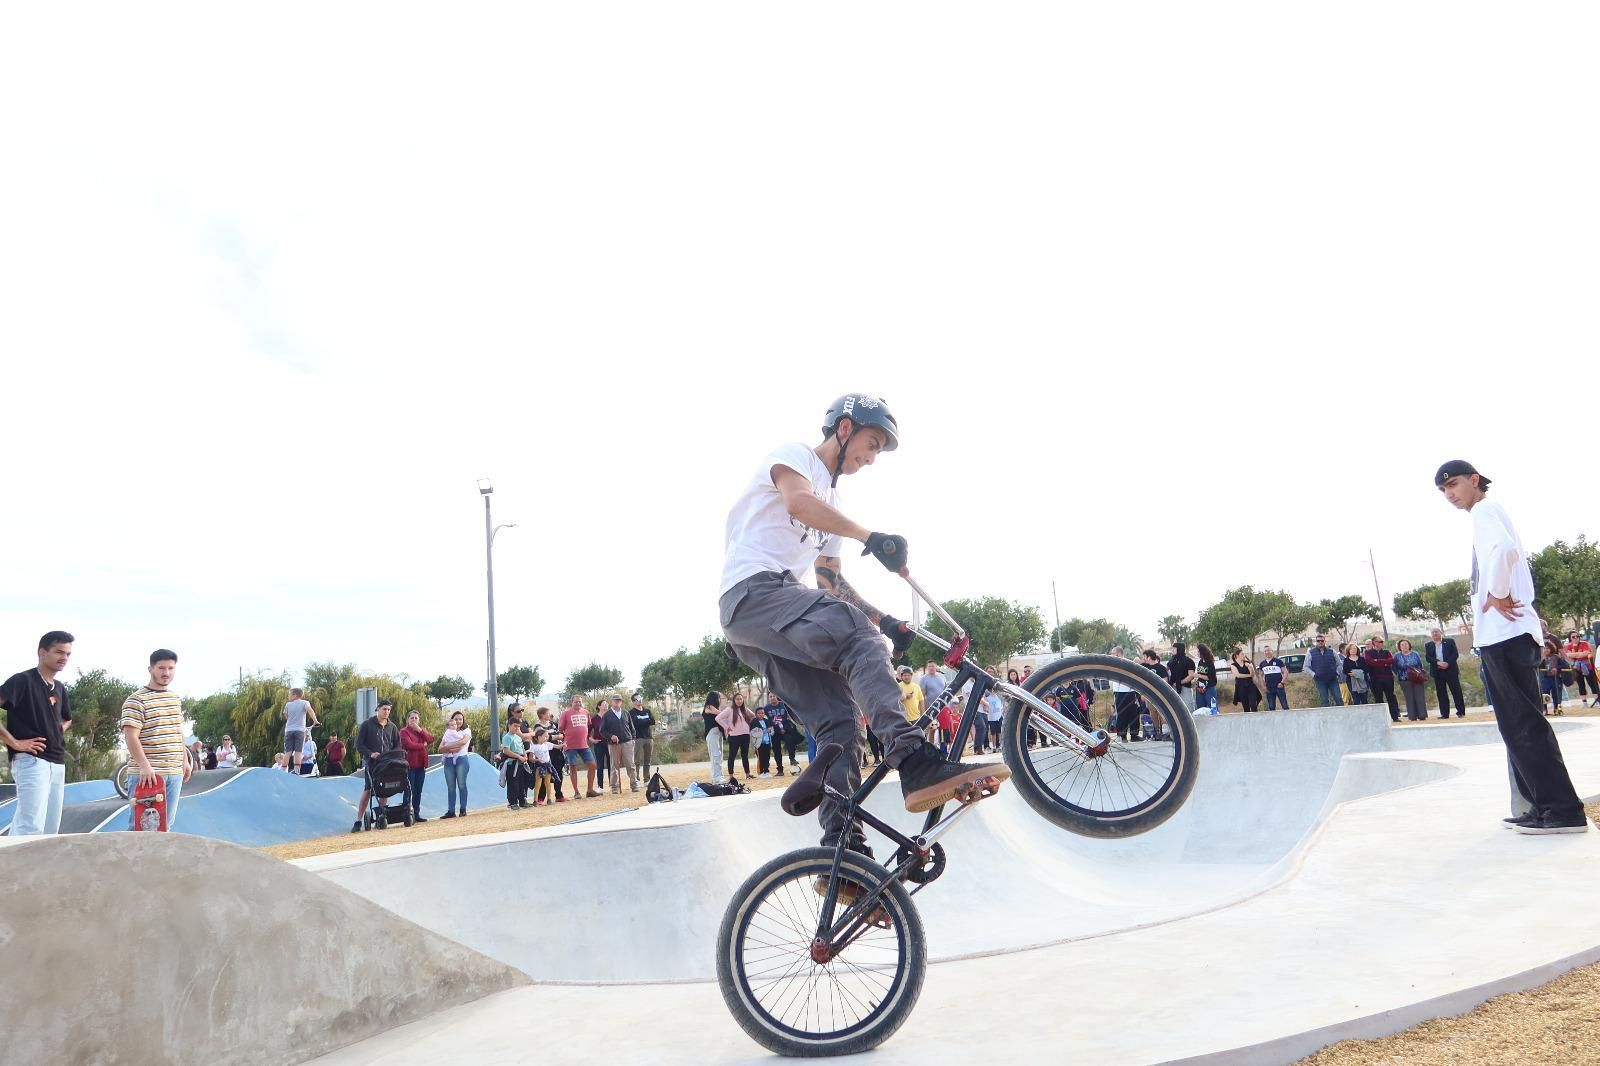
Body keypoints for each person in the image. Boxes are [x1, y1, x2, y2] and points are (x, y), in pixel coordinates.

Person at [717, 393, 1008, 863]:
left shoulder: (832, 506)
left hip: (770, 623)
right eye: (870, 445)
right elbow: (798, 504)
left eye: (877, 452)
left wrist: (886, 621)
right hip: (752, 594)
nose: (870, 459)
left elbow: (832, 586)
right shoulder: (797, 459)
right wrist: (870, 537)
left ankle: (842, 855)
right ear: (845, 428)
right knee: (856, 635)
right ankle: (913, 760)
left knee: (841, 723)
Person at [1436, 459, 1587, 833]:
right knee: (1522, 725)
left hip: (1505, 637)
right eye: (1443, 490)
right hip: (1509, 636)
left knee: (1523, 726)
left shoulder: (1485, 509)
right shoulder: (1488, 513)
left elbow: (1504, 550)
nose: (1449, 494)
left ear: (1475, 480)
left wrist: (1496, 594)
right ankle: (1542, 807)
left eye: (1453, 484)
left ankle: (1562, 810)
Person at [0, 632, 75, 836]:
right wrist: (14, 742)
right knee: (30, 826)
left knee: (50, 829)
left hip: (57, 762)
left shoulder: (59, 688)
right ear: (42, 652)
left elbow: (67, 718)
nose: (64, 658)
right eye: (59, 652)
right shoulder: (22, 681)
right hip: (31, 760)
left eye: (68, 654)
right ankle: (14, 868)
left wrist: (56, 730)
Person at [119, 649, 190, 831]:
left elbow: (177, 730)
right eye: (161, 668)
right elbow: (131, 736)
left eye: (170, 668)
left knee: (165, 826)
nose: (166, 673)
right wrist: (144, 766)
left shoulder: (174, 698)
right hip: (148, 774)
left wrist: (185, 760)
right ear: (150, 669)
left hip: (174, 772)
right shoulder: (136, 700)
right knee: (143, 827)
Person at [351, 700, 402, 832]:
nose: (386, 712)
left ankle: (381, 816)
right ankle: (358, 820)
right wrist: (370, 753)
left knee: (384, 790)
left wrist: (394, 756)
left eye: (389, 709)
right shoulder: (367, 725)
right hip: (373, 764)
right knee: (368, 790)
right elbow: (359, 744)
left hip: (388, 764)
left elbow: (397, 745)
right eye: (384, 709)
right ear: (378, 709)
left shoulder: (392, 727)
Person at [560, 694, 599, 798]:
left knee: (592, 765)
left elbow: (588, 726)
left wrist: (588, 737)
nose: (578, 703)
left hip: (583, 744)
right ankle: (576, 792)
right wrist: (564, 739)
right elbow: (560, 728)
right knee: (573, 767)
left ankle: (589, 790)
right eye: (576, 701)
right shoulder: (565, 713)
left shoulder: (586, 712)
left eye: (579, 701)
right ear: (571, 702)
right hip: (570, 745)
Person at [600, 694, 639, 794]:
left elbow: (632, 727)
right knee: (614, 766)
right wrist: (610, 736)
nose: (617, 702)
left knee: (630, 764)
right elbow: (602, 731)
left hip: (627, 742)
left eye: (619, 700)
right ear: (612, 701)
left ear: (621, 702)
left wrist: (633, 739)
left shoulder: (626, 713)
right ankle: (614, 787)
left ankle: (634, 784)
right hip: (614, 744)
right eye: (615, 700)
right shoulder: (607, 715)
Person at [399, 711, 433, 822]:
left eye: (416, 718)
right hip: (410, 765)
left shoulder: (421, 731)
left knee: (418, 790)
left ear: (419, 720)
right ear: (407, 720)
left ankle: (416, 814)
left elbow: (430, 739)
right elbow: (408, 745)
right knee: (409, 790)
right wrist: (422, 746)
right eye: (411, 718)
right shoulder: (404, 732)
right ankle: (406, 815)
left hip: (421, 765)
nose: (414, 720)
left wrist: (420, 730)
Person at [438, 711, 472, 818]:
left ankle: (463, 809)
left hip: (461, 759)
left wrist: (448, 748)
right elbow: (440, 749)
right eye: (456, 719)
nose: (458, 721)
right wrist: (450, 748)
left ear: (463, 720)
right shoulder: (447, 732)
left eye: (460, 719)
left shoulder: (466, 730)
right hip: (448, 760)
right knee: (451, 786)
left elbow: (462, 744)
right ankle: (451, 811)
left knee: (462, 784)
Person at [1426, 628, 1466, 718]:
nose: (1435, 633)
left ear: (1441, 633)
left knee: (1456, 692)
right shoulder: (1428, 645)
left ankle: (1461, 712)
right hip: (1438, 672)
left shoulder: (1450, 641)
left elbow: (1455, 654)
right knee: (1441, 693)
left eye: (1437, 631)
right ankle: (1444, 714)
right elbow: (1428, 657)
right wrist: (1437, 662)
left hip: (1451, 670)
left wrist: (1447, 663)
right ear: (1431, 635)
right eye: (1433, 632)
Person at [717, 691, 755, 779]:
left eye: (741, 699)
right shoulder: (729, 709)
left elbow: (754, 716)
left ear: (743, 700)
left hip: (745, 735)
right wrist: (726, 727)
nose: (739, 701)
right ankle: (731, 776)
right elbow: (718, 718)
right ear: (734, 700)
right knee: (732, 756)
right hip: (734, 736)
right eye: (737, 699)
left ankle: (748, 774)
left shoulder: (745, 709)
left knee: (745, 755)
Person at [282, 688, 320, 775]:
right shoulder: (305, 702)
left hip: (288, 730)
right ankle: (297, 771)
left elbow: (286, 715)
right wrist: (315, 721)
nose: (288, 696)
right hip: (299, 730)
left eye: (289, 694)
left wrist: (292, 721)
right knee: (298, 752)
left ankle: (283, 772)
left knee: (288, 752)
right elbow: (309, 710)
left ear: (295, 695)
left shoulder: (288, 704)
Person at [1361, 637, 1400, 721]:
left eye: (1382, 641)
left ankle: (1395, 716)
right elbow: (1369, 662)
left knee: (1391, 697)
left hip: (1388, 678)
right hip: (1375, 679)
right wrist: (1384, 662)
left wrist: (1377, 661)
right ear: (1374, 642)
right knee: (1378, 698)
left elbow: (1391, 660)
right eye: (1380, 641)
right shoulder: (1368, 652)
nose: (1382, 643)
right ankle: (1382, 718)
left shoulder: (1387, 652)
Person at [535, 706, 566, 802]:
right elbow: (542, 738)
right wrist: (556, 736)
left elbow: (557, 735)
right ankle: (541, 797)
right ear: (542, 715)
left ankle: (559, 795)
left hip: (556, 752)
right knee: (543, 775)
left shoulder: (552, 724)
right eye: (548, 713)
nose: (550, 715)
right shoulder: (538, 726)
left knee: (558, 774)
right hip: (545, 753)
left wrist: (556, 737)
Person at [500, 712, 530, 810]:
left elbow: (522, 748)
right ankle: (513, 802)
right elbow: (506, 750)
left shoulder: (518, 737)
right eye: (515, 726)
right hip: (512, 763)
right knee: (513, 783)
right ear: (509, 725)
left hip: (521, 762)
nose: (517, 728)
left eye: (518, 726)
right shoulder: (507, 737)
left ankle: (522, 800)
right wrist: (518, 757)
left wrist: (525, 756)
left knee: (522, 782)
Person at [1304, 634, 1345, 707]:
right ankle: (1326, 718)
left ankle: (1342, 717)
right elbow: (1306, 667)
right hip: (1320, 681)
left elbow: (1339, 664)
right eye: (1318, 641)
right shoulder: (1310, 653)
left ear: (1324, 641)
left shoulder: (1332, 651)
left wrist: (1336, 672)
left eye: (1322, 640)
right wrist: (1314, 674)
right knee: (1324, 701)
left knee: (1338, 699)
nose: (1320, 642)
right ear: (1316, 642)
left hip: (1333, 679)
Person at [1562, 629, 1598, 708]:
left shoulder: (1584, 643)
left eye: (1577, 636)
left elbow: (1586, 653)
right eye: (1573, 637)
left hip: (1587, 667)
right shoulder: (1568, 646)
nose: (1576, 638)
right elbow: (1567, 655)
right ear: (1570, 638)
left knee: (1592, 684)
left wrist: (1575, 655)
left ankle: (1597, 701)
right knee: (1581, 685)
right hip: (1577, 668)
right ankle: (1584, 702)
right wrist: (1579, 654)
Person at [1394, 639, 1428, 721]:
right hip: (1404, 679)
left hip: (1417, 677)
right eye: (1402, 645)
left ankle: (1422, 715)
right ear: (1399, 647)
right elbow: (1394, 667)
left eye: (1406, 644)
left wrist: (1419, 673)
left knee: (1420, 696)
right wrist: (1400, 675)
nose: (1405, 646)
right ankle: (1412, 716)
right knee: (1409, 697)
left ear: (1409, 645)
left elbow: (1420, 665)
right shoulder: (1397, 656)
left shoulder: (1415, 654)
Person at [628, 693, 656, 781]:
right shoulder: (631, 713)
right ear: (633, 701)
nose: (639, 700)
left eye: (640, 698)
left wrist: (643, 721)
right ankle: (636, 778)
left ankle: (646, 778)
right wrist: (646, 721)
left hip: (648, 737)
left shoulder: (647, 711)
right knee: (637, 760)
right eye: (637, 699)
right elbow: (635, 723)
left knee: (647, 760)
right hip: (638, 738)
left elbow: (653, 721)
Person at [763, 692, 792, 776]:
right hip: (774, 732)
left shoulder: (784, 705)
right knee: (777, 751)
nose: (772, 698)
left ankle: (793, 760)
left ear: (777, 696)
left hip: (785, 730)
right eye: (770, 697)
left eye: (774, 696)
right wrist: (768, 726)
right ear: (769, 698)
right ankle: (780, 770)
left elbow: (790, 715)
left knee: (791, 743)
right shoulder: (766, 708)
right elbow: (763, 718)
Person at [701, 691, 726, 785]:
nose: (720, 700)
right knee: (715, 755)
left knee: (719, 756)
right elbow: (720, 714)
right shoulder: (709, 707)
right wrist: (729, 713)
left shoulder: (714, 707)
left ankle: (719, 776)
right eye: (719, 698)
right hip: (712, 733)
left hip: (718, 733)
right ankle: (716, 777)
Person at [527, 727, 557, 805]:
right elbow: (530, 758)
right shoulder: (534, 746)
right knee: (538, 783)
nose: (547, 738)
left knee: (547, 783)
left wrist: (564, 744)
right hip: (539, 766)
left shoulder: (546, 744)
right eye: (545, 736)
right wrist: (537, 760)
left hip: (547, 765)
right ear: (539, 737)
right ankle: (535, 800)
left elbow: (557, 746)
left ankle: (549, 799)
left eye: (547, 736)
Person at [586, 699, 611, 790]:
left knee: (610, 764)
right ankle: (600, 786)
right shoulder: (594, 719)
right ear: (599, 706)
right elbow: (587, 732)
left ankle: (612, 785)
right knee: (600, 765)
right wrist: (592, 740)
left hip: (610, 744)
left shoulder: (610, 717)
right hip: (599, 744)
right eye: (604, 704)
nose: (606, 706)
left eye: (607, 704)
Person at [1539, 639, 1569, 715]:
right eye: (1544, 648)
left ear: (1551, 648)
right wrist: (1543, 658)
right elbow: (1537, 666)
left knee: (1557, 694)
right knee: (1544, 694)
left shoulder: (1556, 657)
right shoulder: (1540, 658)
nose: (1546, 650)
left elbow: (1565, 665)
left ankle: (1557, 709)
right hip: (1545, 679)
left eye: (1548, 648)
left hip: (1556, 678)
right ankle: (1544, 709)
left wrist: (1557, 668)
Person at [1231, 647, 1262, 713]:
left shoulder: (1247, 663)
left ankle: (1255, 716)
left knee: (1253, 704)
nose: (1244, 655)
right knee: (1246, 706)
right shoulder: (1233, 665)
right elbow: (1238, 675)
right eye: (1242, 654)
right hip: (1241, 687)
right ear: (1237, 656)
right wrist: (1248, 675)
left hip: (1250, 685)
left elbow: (1252, 674)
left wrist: (1250, 666)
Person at [1167, 642, 1197, 710]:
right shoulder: (1172, 660)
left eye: (1174, 648)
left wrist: (1180, 682)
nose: (1172, 650)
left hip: (1185, 688)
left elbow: (1191, 676)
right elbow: (1165, 669)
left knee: (1187, 707)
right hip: (1173, 688)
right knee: (1175, 708)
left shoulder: (1188, 661)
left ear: (1179, 649)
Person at [752, 704, 774, 777]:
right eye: (759, 713)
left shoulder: (767, 721)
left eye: (762, 713)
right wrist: (764, 731)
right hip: (759, 743)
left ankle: (766, 771)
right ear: (756, 714)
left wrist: (771, 731)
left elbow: (772, 731)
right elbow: (753, 733)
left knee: (767, 757)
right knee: (761, 758)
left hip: (767, 742)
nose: (761, 714)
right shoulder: (754, 722)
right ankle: (761, 772)